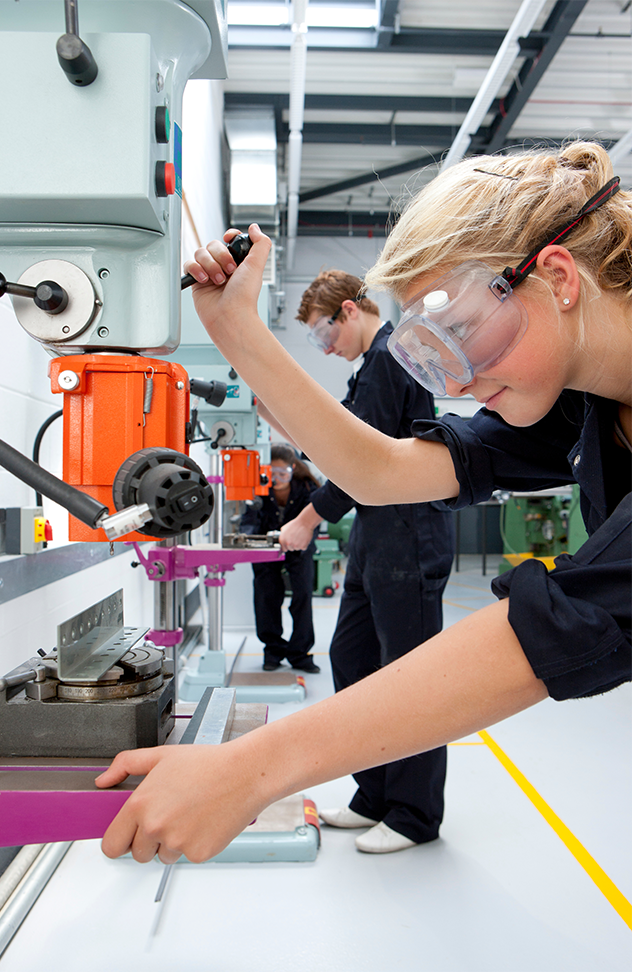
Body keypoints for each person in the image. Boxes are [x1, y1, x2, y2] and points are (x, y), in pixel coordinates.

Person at [96, 140, 632, 868]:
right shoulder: (580, 404)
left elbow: (561, 623)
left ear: (558, 277)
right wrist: (237, 331)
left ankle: (411, 810)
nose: (462, 381)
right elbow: (380, 469)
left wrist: (248, 773)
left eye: (465, 333)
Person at [272, 270, 454, 854]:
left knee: (411, 682)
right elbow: (337, 445)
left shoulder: (392, 359)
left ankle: (414, 814)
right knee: (352, 660)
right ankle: (373, 794)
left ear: (350, 310)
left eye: (324, 332)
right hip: (376, 540)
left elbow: (358, 465)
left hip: (409, 535)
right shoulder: (368, 370)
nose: (325, 347)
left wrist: (305, 519)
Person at [241, 442, 321, 674]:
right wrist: (247, 540)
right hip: (266, 550)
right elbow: (249, 520)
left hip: (300, 549)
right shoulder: (259, 488)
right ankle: (273, 651)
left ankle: (300, 654)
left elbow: (314, 521)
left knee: (303, 597)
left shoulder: (307, 487)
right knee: (266, 597)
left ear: (293, 468)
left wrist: (303, 538)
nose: (277, 478)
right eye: (272, 473)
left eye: (282, 473)